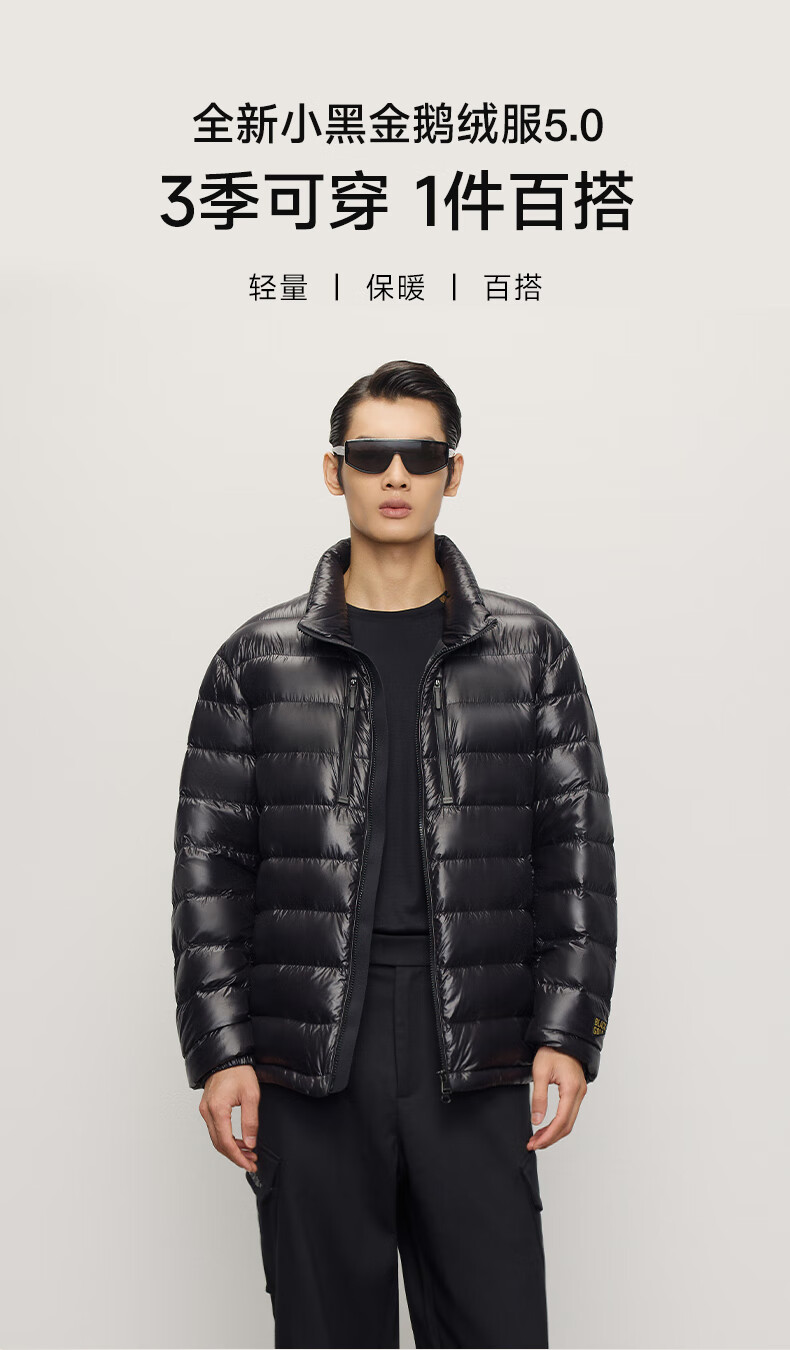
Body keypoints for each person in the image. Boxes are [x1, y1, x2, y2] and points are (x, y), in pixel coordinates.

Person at [171, 359, 617, 1349]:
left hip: (478, 1040)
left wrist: (566, 1033)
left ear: (453, 472)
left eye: (420, 453)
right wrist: (222, 1052)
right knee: (326, 1330)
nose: (396, 475)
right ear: (334, 470)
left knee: (497, 1326)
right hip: (311, 1044)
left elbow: (575, 853)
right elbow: (210, 872)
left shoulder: (530, 652)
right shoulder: (256, 660)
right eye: (372, 454)